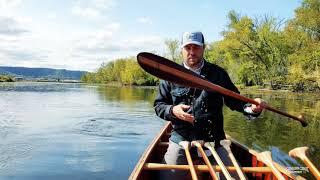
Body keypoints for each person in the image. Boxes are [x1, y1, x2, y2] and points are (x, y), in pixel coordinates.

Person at [154, 31, 266, 179]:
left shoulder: (218, 74)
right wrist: (172, 110)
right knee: (166, 177)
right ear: (182, 49)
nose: (192, 52)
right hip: (181, 139)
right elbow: (159, 106)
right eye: (188, 48)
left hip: (215, 140)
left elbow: (235, 100)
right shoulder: (170, 75)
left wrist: (251, 107)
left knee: (236, 178)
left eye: (196, 48)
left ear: (204, 48)